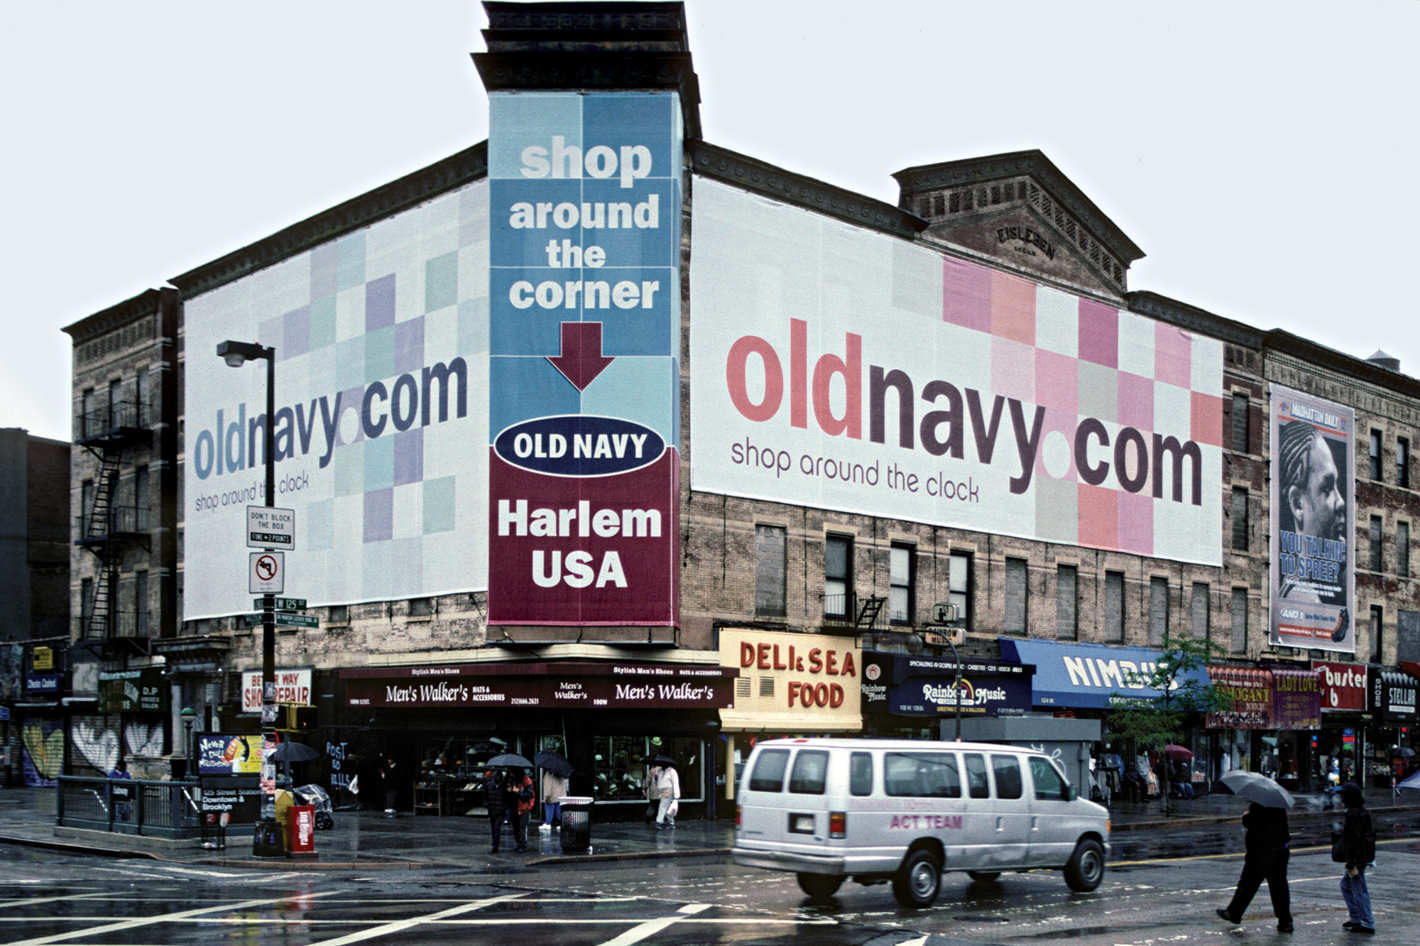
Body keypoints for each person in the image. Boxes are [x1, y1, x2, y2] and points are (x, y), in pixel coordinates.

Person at [1277, 420, 1348, 615]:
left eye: (1336, 487)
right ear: (1298, 504)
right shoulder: (1302, 599)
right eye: (1327, 488)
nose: (1341, 502)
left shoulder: (1302, 592)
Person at [1217, 802, 1293, 933]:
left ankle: (1234, 913)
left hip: (1261, 851)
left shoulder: (1258, 805)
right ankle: (1285, 921)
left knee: (1248, 883)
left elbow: (1254, 824)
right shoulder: (1278, 806)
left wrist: (1246, 816)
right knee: (1278, 886)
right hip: (1280, 851)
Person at [1338, 782, 1376, 934]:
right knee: (1347, 885)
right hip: (1360, 856)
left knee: (1358, 888)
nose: (1341, 797)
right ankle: (1357, 918)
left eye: (1343, 794)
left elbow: (1355, 838)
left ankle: (1366, 921)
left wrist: (1352, 859)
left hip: (1357, 857)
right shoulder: (1357, 811)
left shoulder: (1354, 814)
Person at [507, 768, 535, 852]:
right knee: (515, 827)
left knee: (522, 827)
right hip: (514, 807)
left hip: (524, 807)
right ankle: (519, 844)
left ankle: (523, 845)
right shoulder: (512, 780)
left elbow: (528, 795)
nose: (510, 774)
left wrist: (518, 792)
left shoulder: (526, 780)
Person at [484, 767, 509, 853]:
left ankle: (495, 845)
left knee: (496, 828)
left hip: (498, 810)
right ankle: (495, 844)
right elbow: (486, 797)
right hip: (495, 810)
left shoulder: (502, 786)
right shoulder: (501, 786)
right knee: (494, 828)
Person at [653, 761, 680, 830]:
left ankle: (659, 822)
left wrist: (676, 795)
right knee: (668, 808)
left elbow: (675, 783)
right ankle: (671, 823)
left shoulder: (672, 771)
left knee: (662, 806)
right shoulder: (659, 770)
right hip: (661, 791)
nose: (661, 765)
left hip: (669, 791)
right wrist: (656, 777)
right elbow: (656, 781)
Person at [540, 766, 568, 832]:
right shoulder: (561, 773)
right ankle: (562, 823)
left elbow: (547, 785)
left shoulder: (549, 773)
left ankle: (547, 823)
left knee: (549, 808)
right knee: (558, 810)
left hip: (552, 795)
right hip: (561, 795)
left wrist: (547, 795)